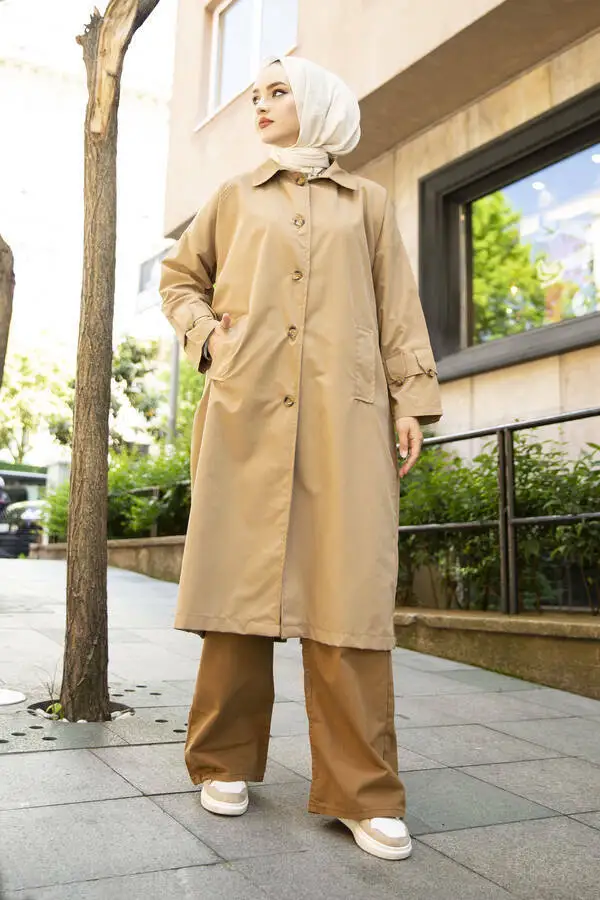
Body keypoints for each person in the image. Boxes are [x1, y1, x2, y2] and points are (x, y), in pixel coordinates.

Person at [159, 55, 442, 861]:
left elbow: (398, 306)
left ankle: (363, 791)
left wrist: (411, 399)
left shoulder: (368, 203)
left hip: (344, 418)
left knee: (348, 596)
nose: (261, 104)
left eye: (278, 93)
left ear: (317, 103)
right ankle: (222, 759)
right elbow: (180, 280)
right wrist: (209, 338)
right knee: (237, 589)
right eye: (255, 95)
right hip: (246, 411)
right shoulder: (234, 197)